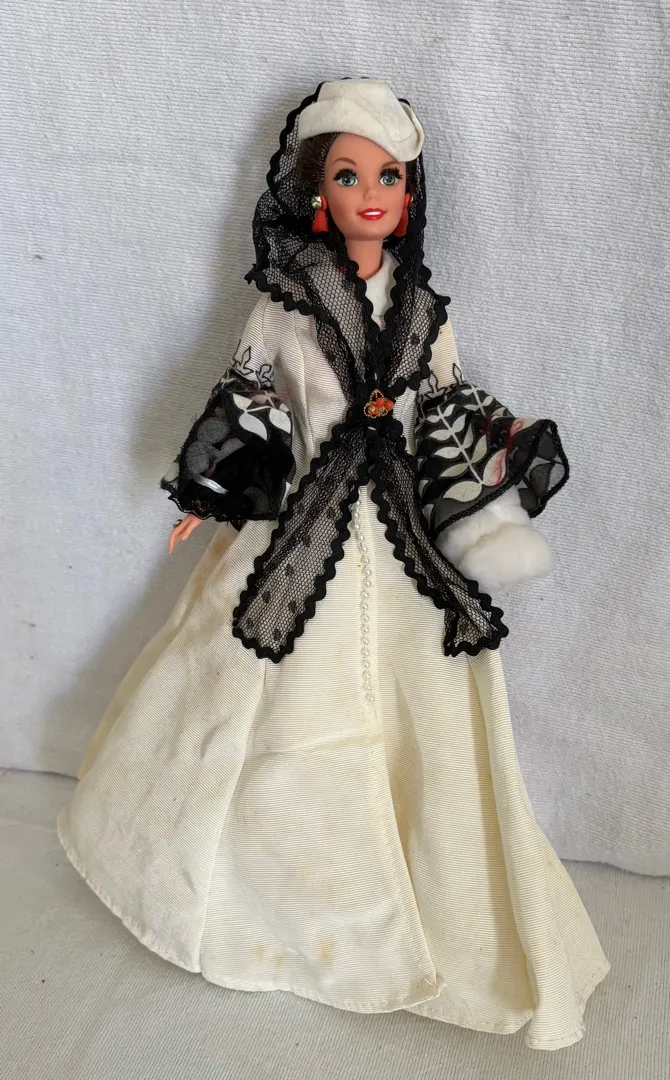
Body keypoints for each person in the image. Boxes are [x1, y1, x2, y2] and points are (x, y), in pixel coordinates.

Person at [57, 77, 610, 1051]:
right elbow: (254, 398)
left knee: (426, 705)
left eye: (388, 176)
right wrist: (210, 495)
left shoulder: (425, 310)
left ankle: (437, 894)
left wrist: (494, 466)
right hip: (302, 525)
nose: (370, 193)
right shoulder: (285, 301)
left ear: (409, 192)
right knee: (252, 695)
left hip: (398, 534)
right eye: (348, 175)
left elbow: (446, 409)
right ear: (317, 190)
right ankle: (258, 893)